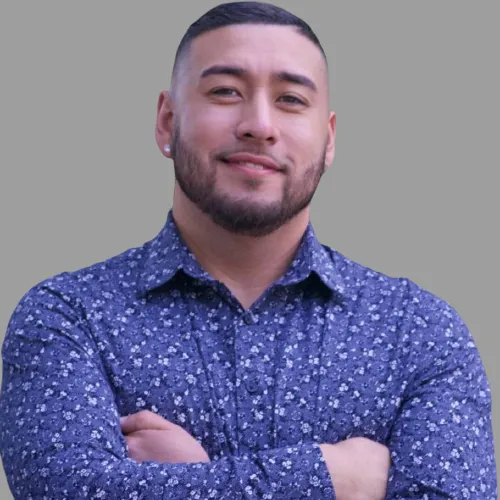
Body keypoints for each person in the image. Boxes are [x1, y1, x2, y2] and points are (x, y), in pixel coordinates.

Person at [0, 1, 496, 498]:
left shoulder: (419, 331)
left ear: (328, 139)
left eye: (291, 99)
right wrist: (333, 476)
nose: (259, 124)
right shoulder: (68, 317)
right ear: (167, 121)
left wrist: (191, 479)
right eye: (225, 91)